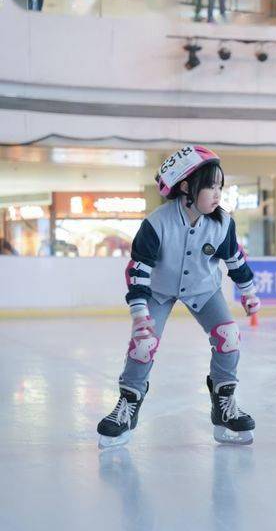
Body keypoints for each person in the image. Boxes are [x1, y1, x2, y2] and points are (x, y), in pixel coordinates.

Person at [96, 145, 261, 448]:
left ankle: (223, 404)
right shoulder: (156, 224)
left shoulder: (222, 223)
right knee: (144, 342)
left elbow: (235, 260)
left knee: (228, 335)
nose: (217, 193)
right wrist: (140, 312)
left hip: (204, 288)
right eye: (210, 186)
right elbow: (138, 269)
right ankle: (128, 405)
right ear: (186, 187)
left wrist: (248, 291)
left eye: (220, 186)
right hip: (158, 290)